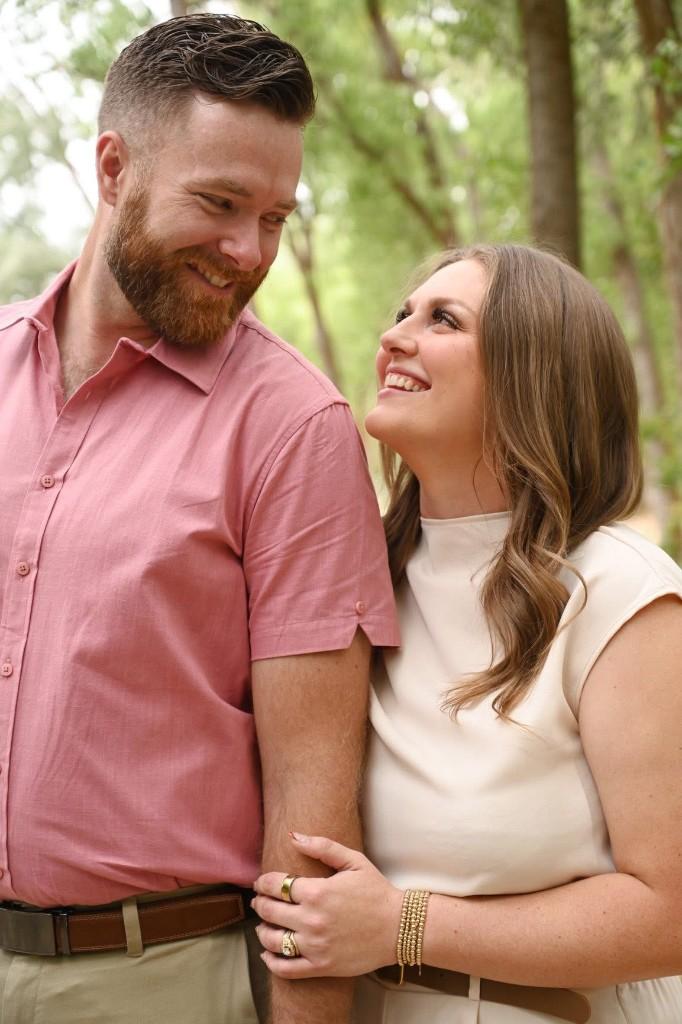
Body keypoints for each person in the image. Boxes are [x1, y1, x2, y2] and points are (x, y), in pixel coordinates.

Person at [0, 13, 399, 1024]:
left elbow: (313, 826)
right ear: (112, 167)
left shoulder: (294, 429)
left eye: (275, 217)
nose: (248, 250)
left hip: (155, 983)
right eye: (221, 203)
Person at [252, 244, 682, 1023]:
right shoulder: (357, 579)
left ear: (533, 374)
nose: (396, 336)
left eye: (443, 319)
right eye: (401, 313)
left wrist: (403, 926)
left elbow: (671, 913)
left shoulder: (622, 591)